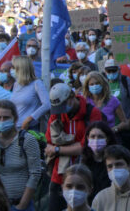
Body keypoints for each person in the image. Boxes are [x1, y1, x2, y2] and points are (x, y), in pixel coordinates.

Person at [46, 82, 103, 211]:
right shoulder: (57, 113)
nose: (61, 109)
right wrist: (72, 147)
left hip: (85, 174)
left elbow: (86, 146)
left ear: (72, 96)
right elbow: (49, 142)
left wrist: (58, 149)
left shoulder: (91, 112)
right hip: (59, 175)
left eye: (63, 105)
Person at [0, 99, 41, 211]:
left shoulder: (27, 140)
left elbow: (35, 173)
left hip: (21, 204)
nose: (2, 121)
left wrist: (22, 205)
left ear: (15, 118)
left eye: (6, 118)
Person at [103, 59, 130, 150]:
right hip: (108, 128)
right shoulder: (103, 84)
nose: (111, 73)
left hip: (125, 127)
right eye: (108, 71)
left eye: (113, 70)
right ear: (105, 72)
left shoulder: (126, 81)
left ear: (118, 70)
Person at [83, 71, 130, 136]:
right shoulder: (84, 101)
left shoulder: (113, 100)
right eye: (91, 84)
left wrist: (113, 130)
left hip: (109, 137)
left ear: (102, 84)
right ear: (87, 86)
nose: (95, 86)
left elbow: (125, 123)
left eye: (97, 83)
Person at [10, 55, 50, 130]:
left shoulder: (37, 83)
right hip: (14, 127)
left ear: (21, 68)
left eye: (13, 67)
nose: (11, 70)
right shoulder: (16, 84)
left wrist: (30, 118)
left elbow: (47, 104)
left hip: (30, 127)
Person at [81, 121, 117, 200]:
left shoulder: (115, 161)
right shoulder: (82, 160)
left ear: (107, 139)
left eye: (100, 137)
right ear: (87, 138)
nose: (96, 140)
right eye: (92, 136)